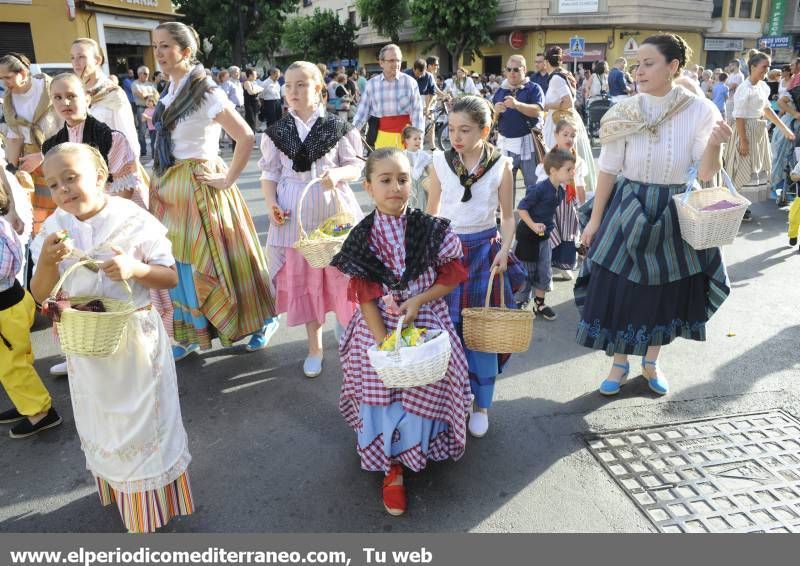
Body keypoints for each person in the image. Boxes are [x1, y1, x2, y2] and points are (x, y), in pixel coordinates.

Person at [31, 142, 193, 533]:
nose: (63, 190)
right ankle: (119, 490)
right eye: (54, 184)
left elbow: (168, 276)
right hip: (88, 345)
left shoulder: (133, 218)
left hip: (135, 342)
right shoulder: (54, 228)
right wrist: (47, 262)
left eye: (71, 178)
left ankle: (152, 506)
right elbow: (39, 294)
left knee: (144, 423)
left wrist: (134, 268)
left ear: (100, 176)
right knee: (104, 423)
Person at [576, 33, 734, 397]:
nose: (639, 71)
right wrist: (596, 220)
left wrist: (715, 143)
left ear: (673, 66)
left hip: (673, 207)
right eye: (637, 65)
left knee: (663, 291)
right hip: (626, 203)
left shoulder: (700, 110)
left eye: (649, 64)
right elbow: (608, 169)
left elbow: (707, 173)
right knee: (618, 287)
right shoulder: (623, 111)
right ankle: (618, 363)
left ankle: (651, 361)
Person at [330, 148, 471, 517]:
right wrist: (385, 347)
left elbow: (452, 275)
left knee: (430, 379)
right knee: (384, 387)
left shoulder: (430, 227)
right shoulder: (362, 236)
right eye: (385, 180)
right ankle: (391, 466)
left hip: (424, 317)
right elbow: (364, 295)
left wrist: (420, 301)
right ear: (368, 187)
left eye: (403, 179)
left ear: (413, 182)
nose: (395, 187)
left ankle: (424, 447)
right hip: (378, 328)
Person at [149, 21, 279, 359]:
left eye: (165, 46)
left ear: (185, 51)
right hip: (172, 186)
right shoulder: (171, 89)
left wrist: (228, 179)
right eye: (156, 46)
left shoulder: (206, 91)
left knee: (224, 262)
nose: (159, 53)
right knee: (183, 263)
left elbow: (246, 135)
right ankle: (195, 332)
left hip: (202, 185)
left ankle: (261, 321)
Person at [427, 95, 526, 438]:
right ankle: (451, 400)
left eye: (465, 130)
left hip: (486, 252)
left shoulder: (501, 165)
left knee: (481, 334)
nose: (456, 137)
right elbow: (432, 212)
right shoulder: (440, 162)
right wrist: (430, 252)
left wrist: (505, 249)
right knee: (447, 332)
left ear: (484, 130)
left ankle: (481, 404)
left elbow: (509, 217)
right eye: (451, 129)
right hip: (448, 252)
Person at [259, 61, 363, 377]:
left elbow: (356, 165)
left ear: (318, 88)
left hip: (335, 213)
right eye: (288, 85)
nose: (293, 91)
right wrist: (270, 204)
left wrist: (339, 173)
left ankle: (349, 339)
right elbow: (269, 173)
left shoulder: (337, 126)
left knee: (342, 279)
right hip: (294, 216)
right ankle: (314, 347)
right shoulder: (276, 132)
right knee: (306, 284)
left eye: (302, 84)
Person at [0, 180, 62, 439]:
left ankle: (40, 412)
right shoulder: (2, 222)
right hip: (15, 299)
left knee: (11, 366)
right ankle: (27, 401)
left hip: (5, 309)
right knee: (19, 360)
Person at [725, 52, 795, 221]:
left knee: (752, 170)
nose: (767, 69)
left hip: (758, 131)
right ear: (753, 67)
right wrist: (743, 140)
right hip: (745, 131)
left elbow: (766, 110)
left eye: (768, 66)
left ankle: (741, 207)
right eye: (765, 66)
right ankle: (734, 207)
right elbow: (739, 116)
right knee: (740, 168)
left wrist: (784, 128)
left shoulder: (763, 86)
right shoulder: (744, 87)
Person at [1, 53, 63, 235]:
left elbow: (69, 127)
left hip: (58, 154)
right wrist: (12, 171)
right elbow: (15, 136)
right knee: (35, 214)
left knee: (61, 208)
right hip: (28, 162)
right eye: (1, 78)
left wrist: (43, 156)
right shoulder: (9, 99)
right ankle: (43, 250)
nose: (4, 83)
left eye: (8, 77)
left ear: (23, 72)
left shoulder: (50, 89)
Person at [513, 149, 576, 319]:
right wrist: (533, 225)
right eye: (568, 169)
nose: (572, 172)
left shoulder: (560, 191)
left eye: (573, 169)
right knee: (526, 272)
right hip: (527, 238)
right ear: (554, 171)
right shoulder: (539, 189)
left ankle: (539, 304)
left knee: (544, 271)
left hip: (544, 238)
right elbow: (522, 208)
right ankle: (519, 303)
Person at [70, 38, 140, 159]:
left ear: (97, 60)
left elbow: (128, 138)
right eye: (72, 57)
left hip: (113, 167)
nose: (75, 62)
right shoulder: (75, 94)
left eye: (81, 56)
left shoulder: (114, 94)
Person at [541, 46, 597, 194]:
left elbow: (568, 103)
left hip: (560, 122)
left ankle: (564, 195)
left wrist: (547, 106)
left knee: (560, 161)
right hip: (566, 120)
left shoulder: (556, 78)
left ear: (547, 62)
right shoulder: (565, 73)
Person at [536, 119, 588, 278]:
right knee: (551, 233)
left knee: (569, 233)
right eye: (565, 134)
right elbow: (540, 185)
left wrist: (583, 208)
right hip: (551, 203)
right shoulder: (548, 160)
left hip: (569, 204)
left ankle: (562, 264)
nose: (569, 139)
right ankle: (547, 268)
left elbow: (580, 186)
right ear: (556, 135)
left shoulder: (578, 161)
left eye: (573, 135)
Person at [353, 44, 424, 150]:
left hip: (406, 139)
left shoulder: (410, 83)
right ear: (381, 62)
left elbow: (417, 115)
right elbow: (361, 114)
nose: (396, 64)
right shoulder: (372, 84)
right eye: (391, 60)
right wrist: (352, 134)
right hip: (382, 138)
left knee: (406, 166)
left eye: (398, 60)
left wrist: (418, 142)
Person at [492, 54, 544, 194]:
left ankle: (533, 216)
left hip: (529, 143)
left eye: (516, 69)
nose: (512, 73)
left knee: (533, 186)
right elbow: (490, 120)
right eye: (508, 69)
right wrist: (495, 112)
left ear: (524, 69)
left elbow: (538, 111)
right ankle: (507, 216)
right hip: (506, 143)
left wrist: (517, 105)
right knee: (505, 188)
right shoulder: (500, 90)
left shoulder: (534, 88)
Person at [401, 125, 432, 211]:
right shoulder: (401, 156)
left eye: (420, 139)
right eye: (415, 139)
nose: (418, 141)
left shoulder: (423, 156)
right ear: (407, 140)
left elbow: (431, 173)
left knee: (421, 209)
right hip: (407, 187)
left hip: (421, 188)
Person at [131, 66, 157, 158]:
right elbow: (142, 95)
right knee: (142, 131)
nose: (147, 75)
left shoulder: (151, 84)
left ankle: (154, 151)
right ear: (139, 74)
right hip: (141, 108)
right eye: (145, 73)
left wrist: (148, 95)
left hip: (152, 109)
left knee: (154, 129)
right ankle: (143, 150)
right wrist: (149, 95)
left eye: (148, 73)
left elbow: (156, 96)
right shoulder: (135, 84)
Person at [242, 68, 263, 134]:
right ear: (250, 75)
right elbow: (251, 92)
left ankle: (252, 137)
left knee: (254, 122)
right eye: (255, 74)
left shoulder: (254, 82)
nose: (256, 76)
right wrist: (258, 90)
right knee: (251, 122)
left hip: (255, 104)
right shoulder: (247, 82)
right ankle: (251, 138)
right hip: (249, 105)